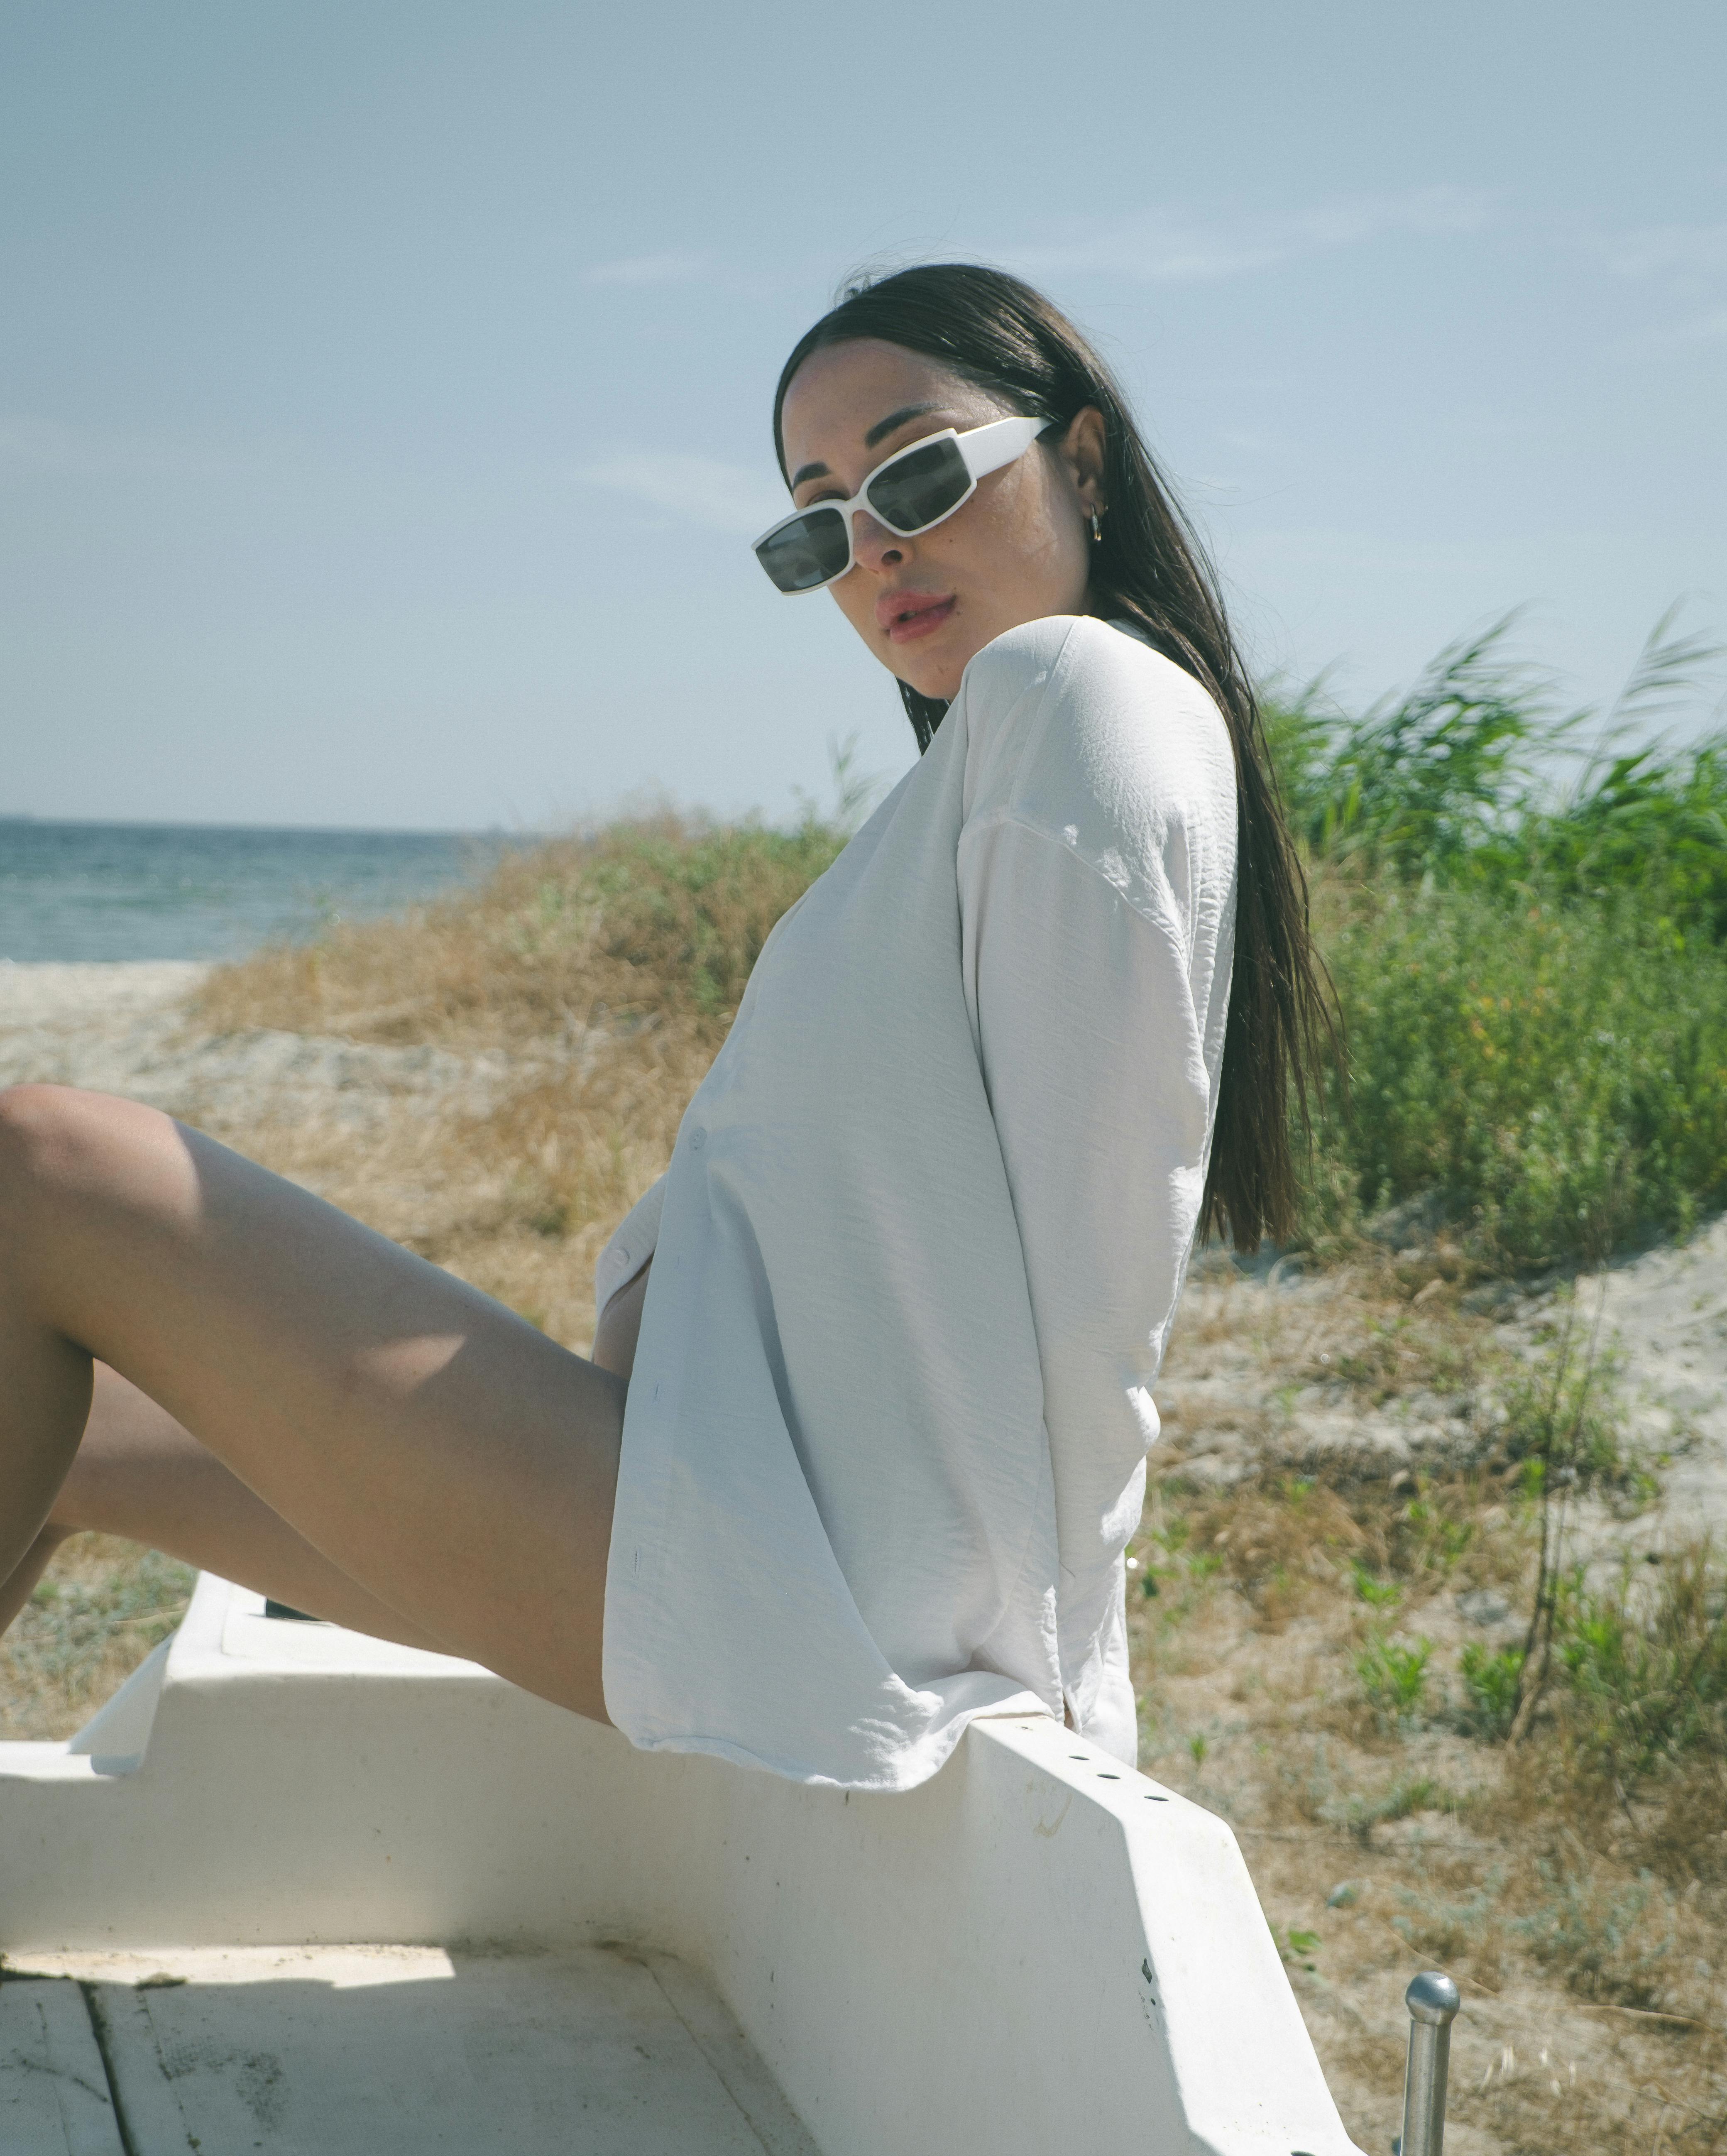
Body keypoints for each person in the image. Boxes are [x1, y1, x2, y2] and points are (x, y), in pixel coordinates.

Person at [0, 263, 1326, 1790]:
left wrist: (1054, 1667)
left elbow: (1094, 1269)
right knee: (82, 1424)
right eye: (818, 520)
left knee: (51, 1166)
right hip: (697, 1504)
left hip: (794, 1580)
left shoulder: (1074, 693)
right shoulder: (981, 769)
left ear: (1079, 459)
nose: (873, 544)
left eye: (916, 469)